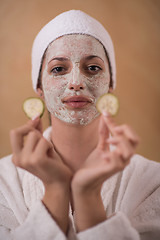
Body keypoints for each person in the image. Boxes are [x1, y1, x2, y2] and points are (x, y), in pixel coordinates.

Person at [0, 10, 160, 240]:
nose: (76, 83)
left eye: (93, 68)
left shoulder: (154, 182)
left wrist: (88, 195)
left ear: (110, 84)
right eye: (58, 69)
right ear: (39, 87)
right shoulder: (3, 183)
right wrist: (55, 190)